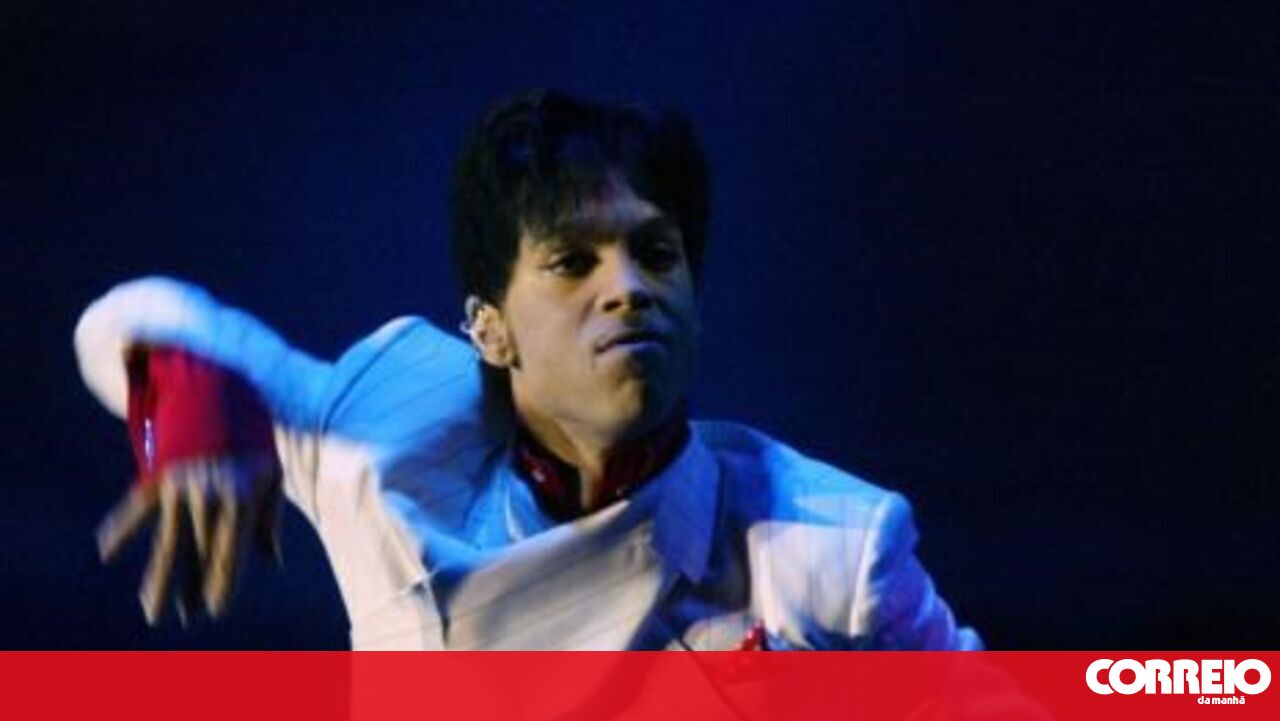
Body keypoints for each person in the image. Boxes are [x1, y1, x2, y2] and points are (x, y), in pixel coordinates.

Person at [75, 90, 981, 650]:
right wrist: (193, 411)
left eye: (656, 254)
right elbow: (130, 317)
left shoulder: (830, 541)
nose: (629, 289)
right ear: (490, 328)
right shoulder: (386, 442)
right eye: (573, 262)